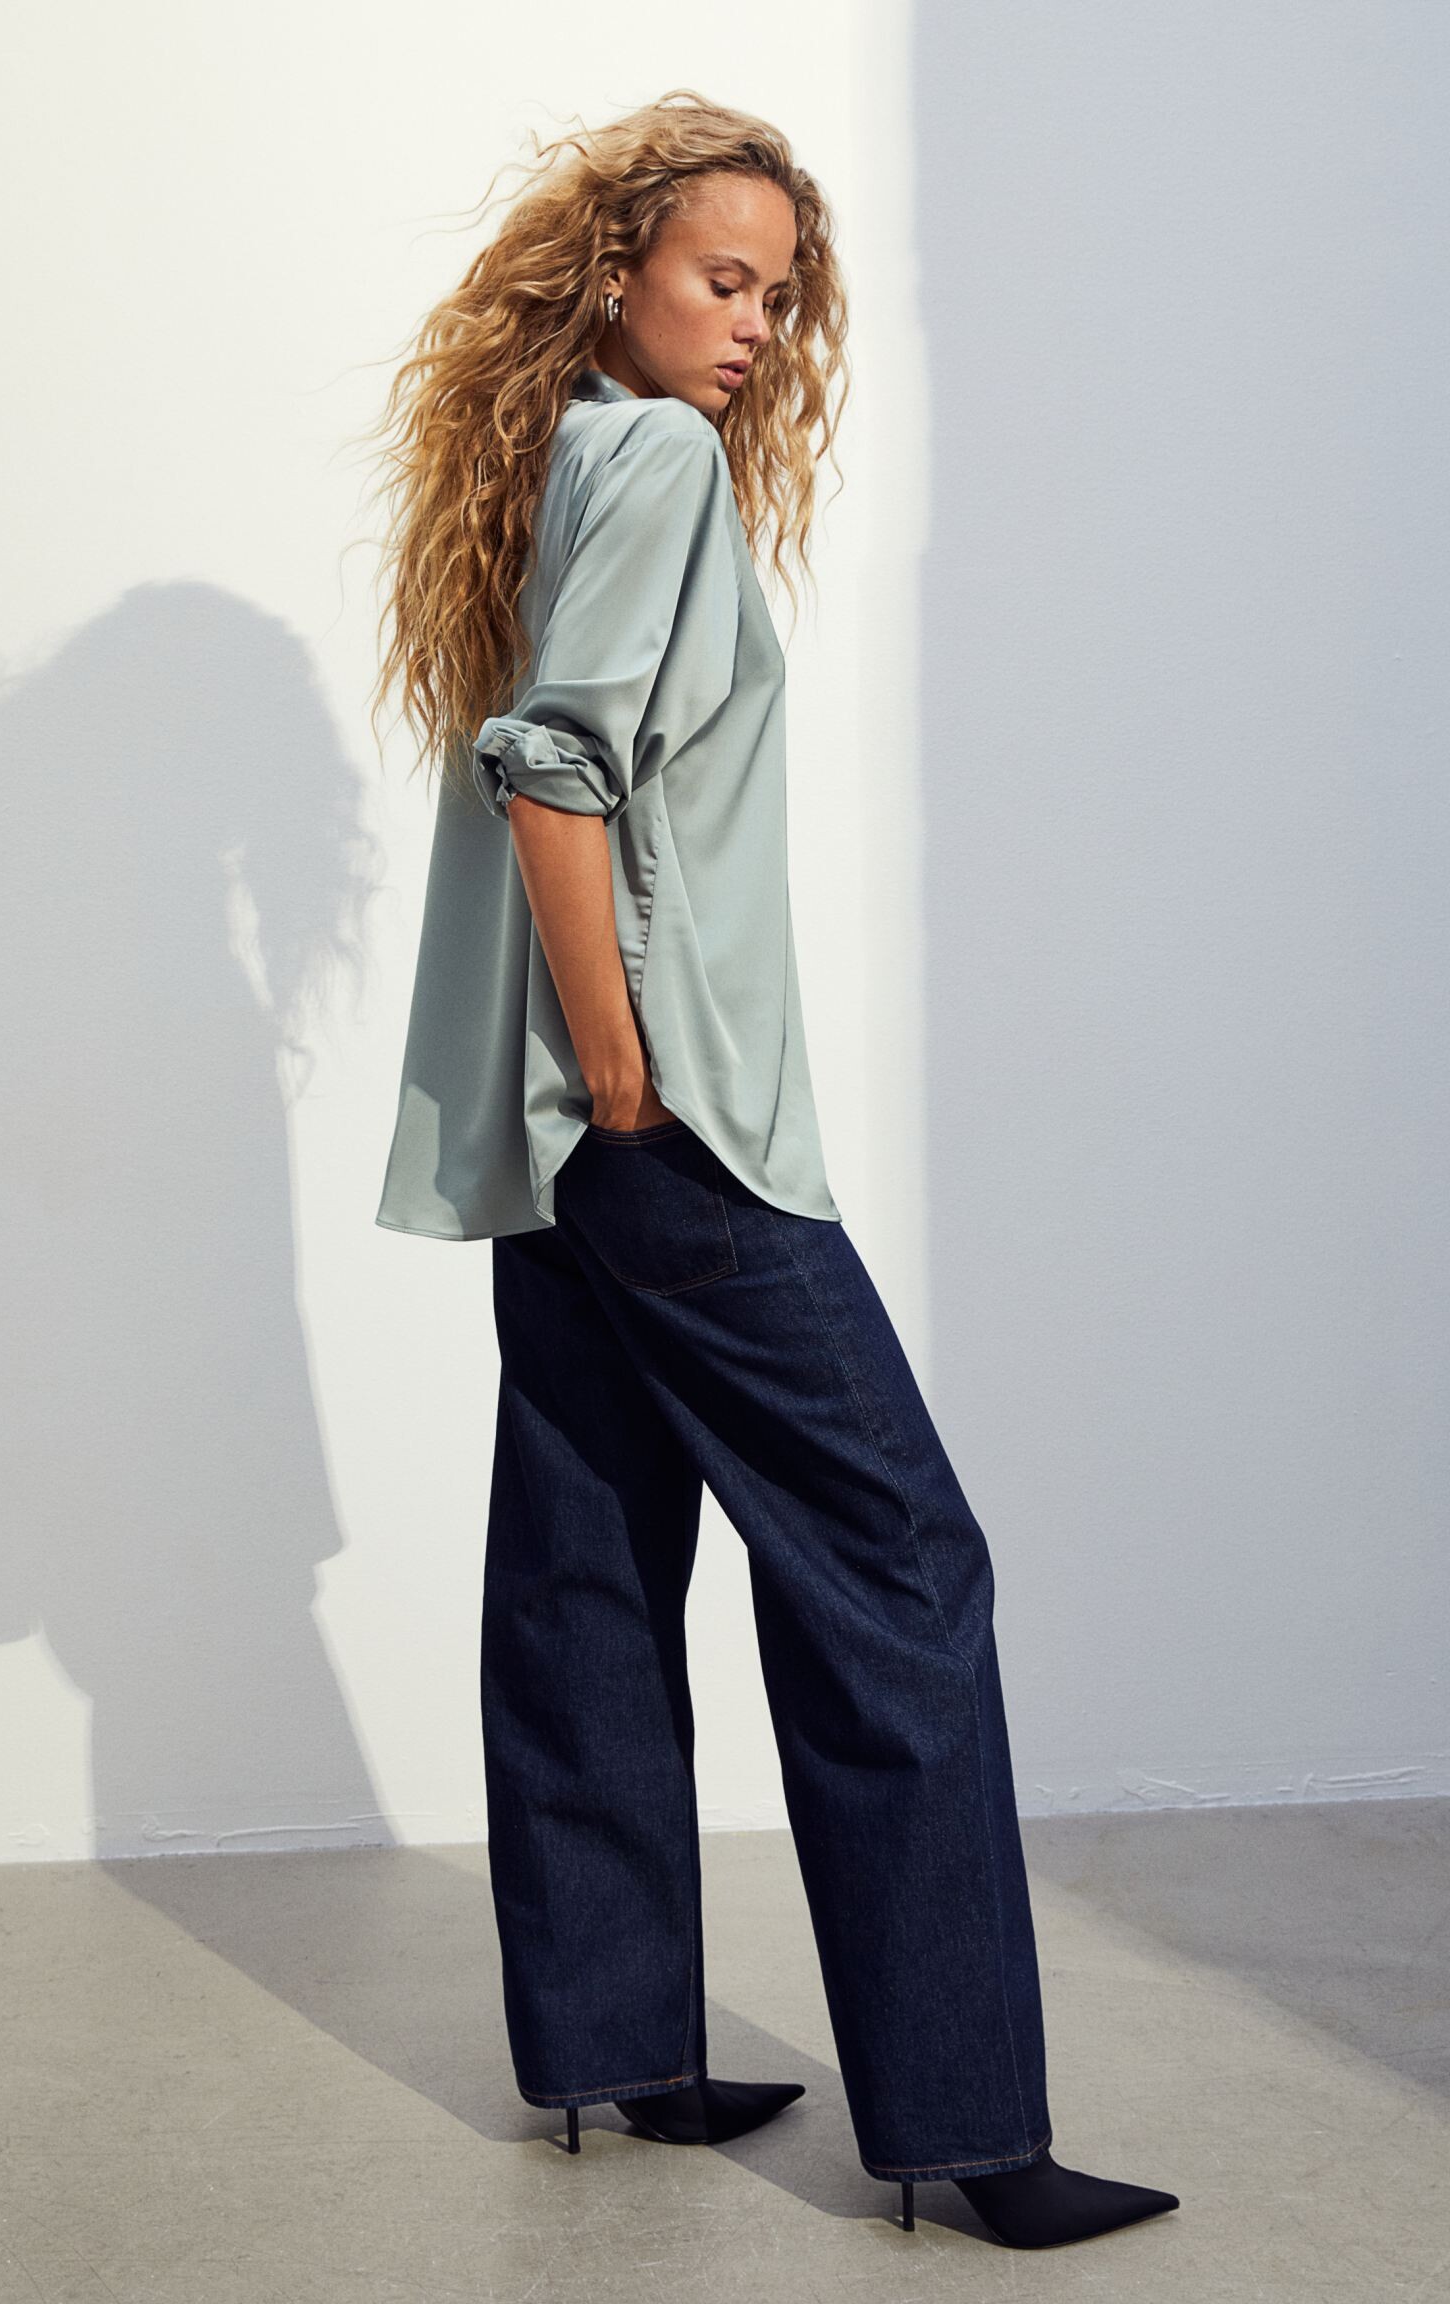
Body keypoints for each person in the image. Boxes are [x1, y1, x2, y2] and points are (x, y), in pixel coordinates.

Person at [366, 89, 1180, 2252]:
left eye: (776, 296)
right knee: (901, 1566)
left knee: (586, 1559)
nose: (751, 327)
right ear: (617, 273)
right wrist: (634, 1068)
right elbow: (557, 770)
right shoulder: (650, 460)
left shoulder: (555, 455)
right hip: (670, 1127)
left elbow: (538, 747)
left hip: (560, 1140)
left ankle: (614, 2049)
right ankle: (969, 2129)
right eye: (721, 282)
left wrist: (582, 1086)